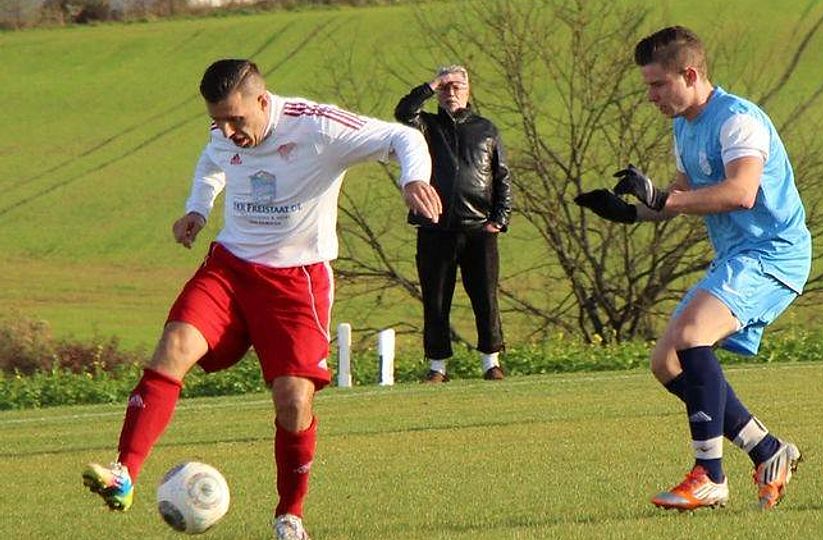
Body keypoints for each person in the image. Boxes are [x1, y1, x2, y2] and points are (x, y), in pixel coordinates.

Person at [81, 59, 440, 540]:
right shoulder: (223, 133)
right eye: (218, 121)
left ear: (263, 101)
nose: (228, 132)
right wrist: (196, 208)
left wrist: (412, 179)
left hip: (296, 283)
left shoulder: (317, 127)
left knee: (293, 401)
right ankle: (124, 473)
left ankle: (289, 515)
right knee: (172, 350)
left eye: (236, 120)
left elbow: (405, 138)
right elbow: (211, 163)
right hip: (230, 270)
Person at [575, 26, 811, 511]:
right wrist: (633, 211)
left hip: (773, 253)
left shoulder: (737, 120)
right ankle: (768, 452)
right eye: (647, 87)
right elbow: (681, 199)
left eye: (658, 85)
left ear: (690, 73)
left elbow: (740, 192)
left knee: (692, 337)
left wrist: (664, 198)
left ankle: (710, 475)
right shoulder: (684, 126)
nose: (651, 97)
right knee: (665, 362)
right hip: (736, 258)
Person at [394, 65, 512, 383]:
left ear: (469, 89)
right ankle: (437, 367)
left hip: (479, 229)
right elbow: (403, 112)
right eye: (446, 88)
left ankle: (491, 362)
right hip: (434, 228)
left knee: (485, 298)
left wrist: (499, 221)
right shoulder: (425, 126)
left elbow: (502, 178)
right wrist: (431, 84)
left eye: (457, 86)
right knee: (435, 299)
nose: (451, 93)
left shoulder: (486, 129)